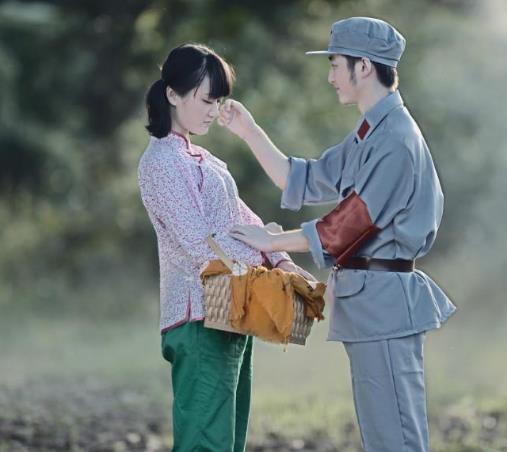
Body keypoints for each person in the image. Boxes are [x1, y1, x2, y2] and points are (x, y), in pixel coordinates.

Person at [218, 17, 456, 452]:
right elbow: (303, 179)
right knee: (383, 434)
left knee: (395, 437)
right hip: (370, 304)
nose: (330, 77)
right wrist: (248, 130)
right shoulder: (372, 132)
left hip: (384, 305)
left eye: (334, 64)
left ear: (363, 66)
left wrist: (272, 242)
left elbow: (348, 225)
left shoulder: (395, 138)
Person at [137, 43, 309, 451]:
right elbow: (198, 242)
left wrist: (281, 260)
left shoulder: (204, 159)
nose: (213, 111)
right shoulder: (161, 162)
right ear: (173, 94)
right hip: (199, 314)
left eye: (218, 101)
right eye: (206, 100)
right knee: (206, 441)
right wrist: (262, 270)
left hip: (231, 308)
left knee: (229, 437)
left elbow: (243, 218)